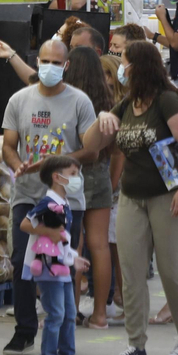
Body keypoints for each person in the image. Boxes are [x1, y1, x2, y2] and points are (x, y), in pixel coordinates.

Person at [81, 41, 178, 355]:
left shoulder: (167, 100)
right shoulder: (125, 104)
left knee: (170, 267)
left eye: (125, 62)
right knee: (131, 270)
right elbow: (90, 144)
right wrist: (102, 119)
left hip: (170, 193)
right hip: (133, 196)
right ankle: (136, 342)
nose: (122, 67)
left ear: (139, 67)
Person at [1, 38, 96, 355]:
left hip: (66, 199)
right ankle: (25, 329)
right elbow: (8, 146)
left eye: (57, 63)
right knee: (21, 262)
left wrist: (52, 165)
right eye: (45, 61)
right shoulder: (19, 100)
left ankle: (64, 341)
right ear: (36, 61)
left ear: (66, 66)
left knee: (62, 265)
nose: (50, 68)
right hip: (27, 195)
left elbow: (91, 150)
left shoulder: (80, 102)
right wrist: (18, 167)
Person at [56, 45, 118, 329]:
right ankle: (101, 315)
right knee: (100, 246)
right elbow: (117, 149)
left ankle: (70, 313)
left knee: (72, 244)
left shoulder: (68, 100)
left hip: (71, 176)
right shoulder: (108, 101)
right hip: (101, 174)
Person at [20, 155, 88, 355]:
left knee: (69, 313)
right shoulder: (48, 203)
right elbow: (25, 224)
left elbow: (63, 240)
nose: (78, 179)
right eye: (73, 174)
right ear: (57, 177)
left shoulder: (64, 203)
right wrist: (48, 231)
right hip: (47, 267)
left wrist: (73, 259)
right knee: (56, 313)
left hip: (62, 267)